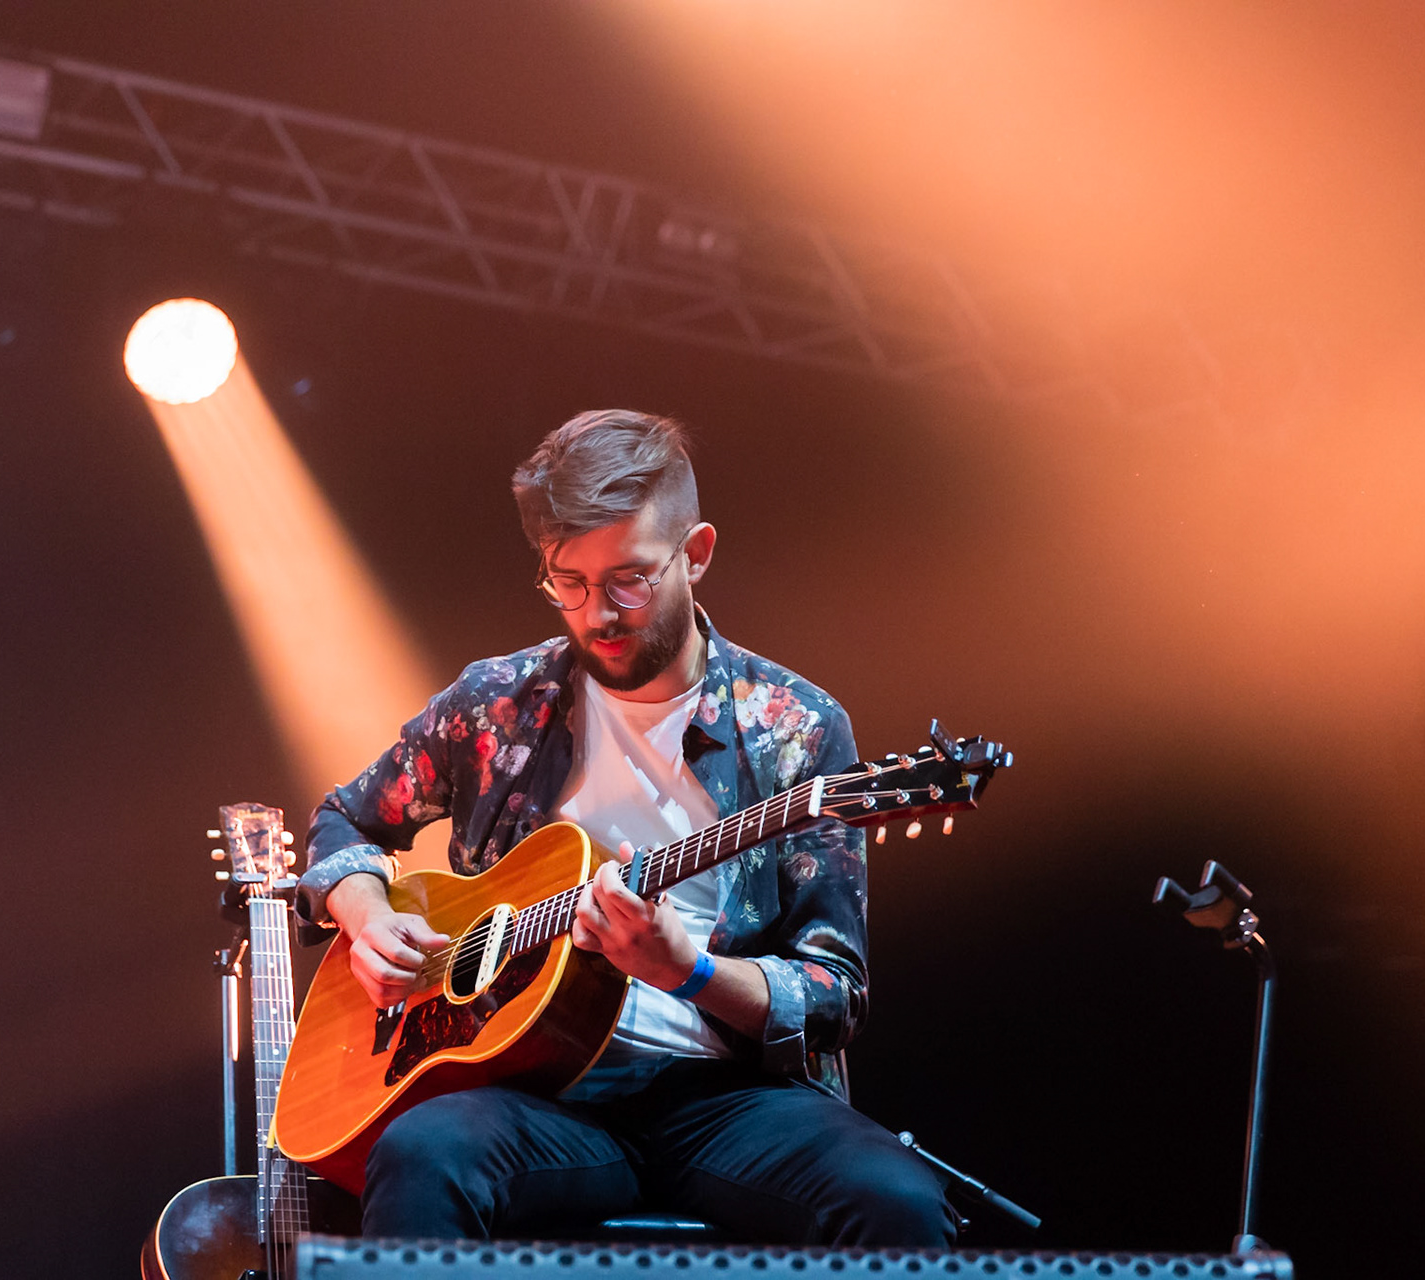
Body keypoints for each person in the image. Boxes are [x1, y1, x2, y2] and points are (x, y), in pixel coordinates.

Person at [294, 409, 957, 1246]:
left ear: (698, 553)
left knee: (895, 1201)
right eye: (567, 583)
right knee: (424, 1152)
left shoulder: (797, 727)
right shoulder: (498, 703)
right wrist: (367, 917)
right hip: (535, 1093)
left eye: (630, 580)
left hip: (722, 1099)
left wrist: (685, 969)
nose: (598, 614)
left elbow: (832, 997)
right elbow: (343, 821)